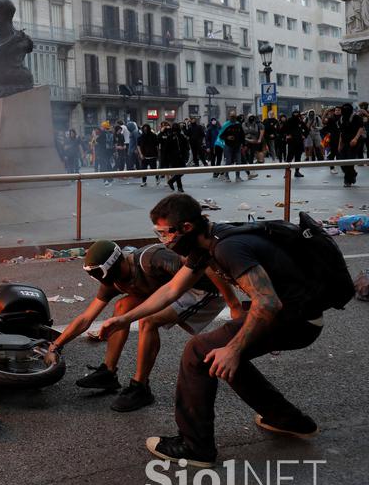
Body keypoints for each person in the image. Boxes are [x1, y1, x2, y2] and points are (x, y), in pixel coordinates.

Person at [100, 193, 326, 468]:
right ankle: (288, 420)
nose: (163, 241)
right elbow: (171, 290)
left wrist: (234, 348)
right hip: (290, 315)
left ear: (185, 228)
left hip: (295, 320)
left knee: (199, 351)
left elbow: (267, 302)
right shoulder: (204, 244)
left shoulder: (228, 248)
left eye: (164, 233)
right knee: (217, 356)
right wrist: (126, 320)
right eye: (157, 233)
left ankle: (195, 446)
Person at [46, 239, 241, 412]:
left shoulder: (153, 260)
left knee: (149, 321)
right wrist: (56, 345)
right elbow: (86, 318)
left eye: (99, 273)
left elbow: (204, 264)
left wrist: (234, 304)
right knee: (122, 307)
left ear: (114, 264)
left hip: (201, 289)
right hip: (165, 291)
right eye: (94, 275)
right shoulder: (112, 280)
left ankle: (141, 387)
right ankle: (108, 372)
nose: (99, 279)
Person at [337, 103, 365, 187]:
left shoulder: (356, 117)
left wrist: (355, 138)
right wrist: (340, 144)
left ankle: (347, 180)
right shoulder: (341, 119)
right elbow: (341, 133)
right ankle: (353, 173)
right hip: (345, 142)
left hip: (354, 142)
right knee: (342, 161)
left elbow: (361, 128)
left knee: (349, 160)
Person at [216, 113, 245, 182]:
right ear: (229, 117)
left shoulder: (238, 125)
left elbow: (242, 135)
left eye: (234, 117)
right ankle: (226, 176)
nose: (233, 118)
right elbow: (220, 135)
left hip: (237, 146)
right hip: (228, 146)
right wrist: (227, 137)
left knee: (238, 162)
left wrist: (243, 144)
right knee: (228, 161)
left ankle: (238, 177)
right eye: (232, 117)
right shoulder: (226, 125)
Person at [281, 109, 309, 177]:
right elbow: (281, 131)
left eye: (297, 113)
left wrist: (304, 135)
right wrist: (286, 136)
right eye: (295, 113)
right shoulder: (289, 121)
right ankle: (287, 173)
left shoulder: (300, 121)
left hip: (299, 142)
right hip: (291, 143)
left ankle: (297, 172)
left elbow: (307, 130)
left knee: (298, 158)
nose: (296, 115)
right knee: (289, 158)